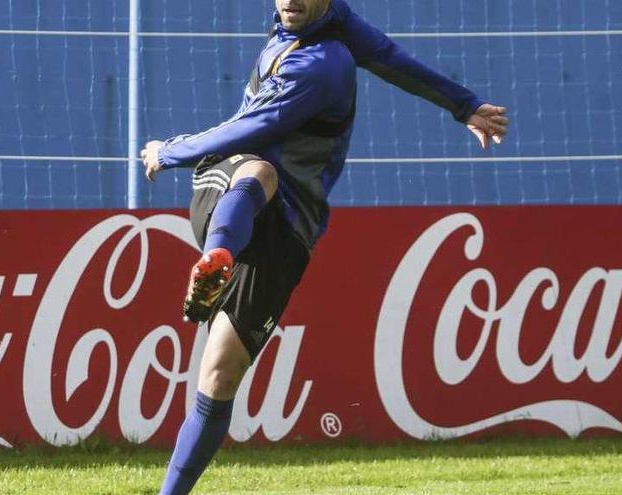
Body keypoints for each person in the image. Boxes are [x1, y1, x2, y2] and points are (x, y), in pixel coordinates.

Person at [141, 1, 508, 493]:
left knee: (220, 375)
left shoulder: (324, 64)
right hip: (227, 193)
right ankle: (219, 257)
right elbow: (390, 60)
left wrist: (168, 150)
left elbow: (390, 61)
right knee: (259, 171)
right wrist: (462, 104)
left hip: (289, 230)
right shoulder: (318, 29)